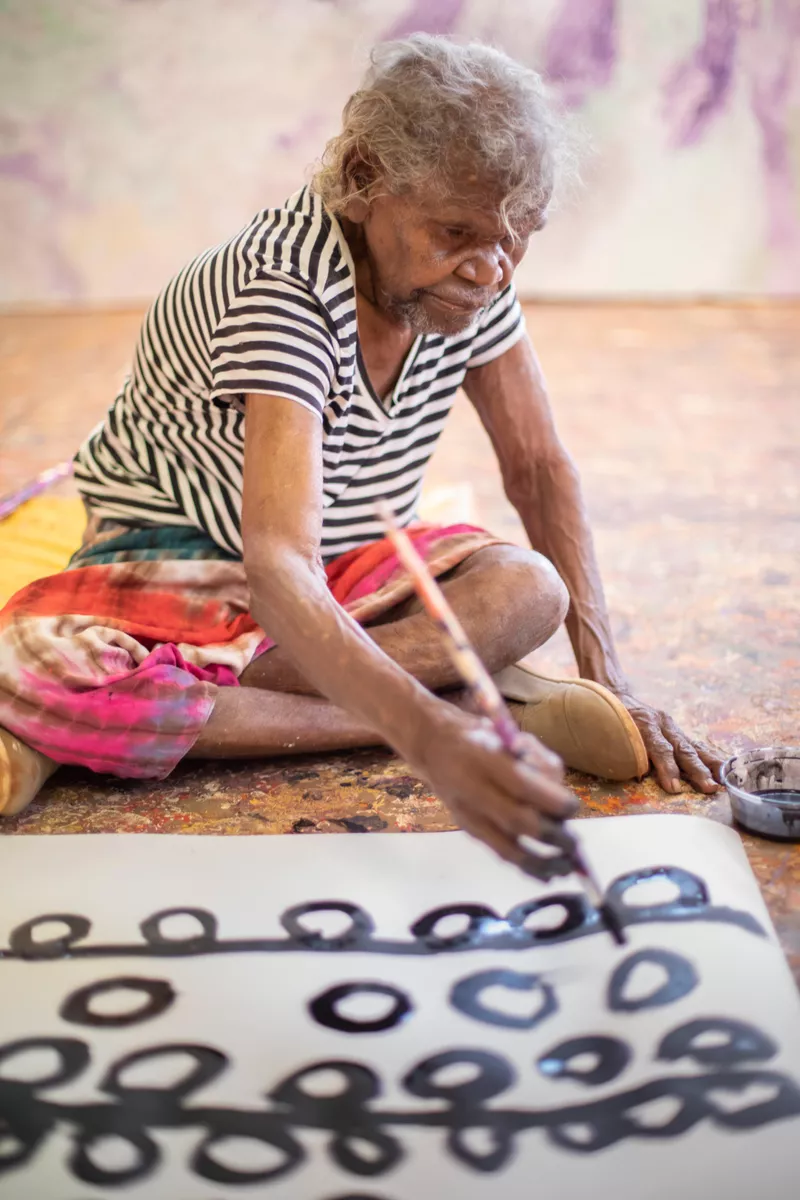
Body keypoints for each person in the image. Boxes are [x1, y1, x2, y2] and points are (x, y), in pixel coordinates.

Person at [0, 35, 723, 876]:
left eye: (516, 237)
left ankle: (208, 708)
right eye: (455, 232)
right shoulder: (280, 289)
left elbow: (538, 468)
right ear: (364, 178)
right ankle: (459, 705)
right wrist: (429, 734)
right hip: (181, 564)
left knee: (530, 587)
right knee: (36, 671)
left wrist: (612, 683)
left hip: (340, 576)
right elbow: (278, 565)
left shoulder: (472, 272)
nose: (490, 269)